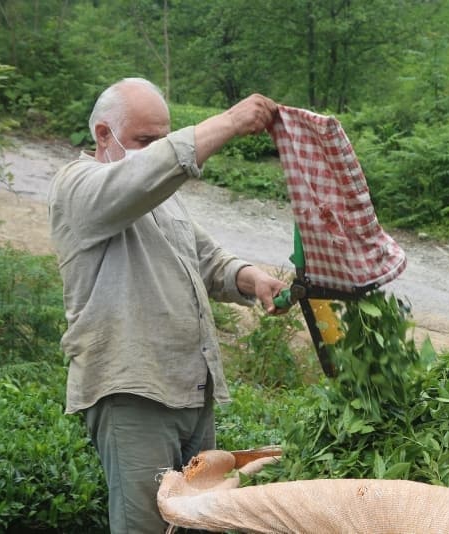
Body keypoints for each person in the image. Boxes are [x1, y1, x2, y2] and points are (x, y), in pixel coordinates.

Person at [47, 77, 287, 533]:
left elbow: (206, 258)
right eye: (145, 140)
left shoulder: (162, 199)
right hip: (134, 394)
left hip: (190, 393)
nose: (156, 148)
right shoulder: (78, 188)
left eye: (163, 136)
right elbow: (143, 174)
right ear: (103, 134)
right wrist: (232, 122)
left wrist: (249, 277)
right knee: (148, 526)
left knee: (196, 521)